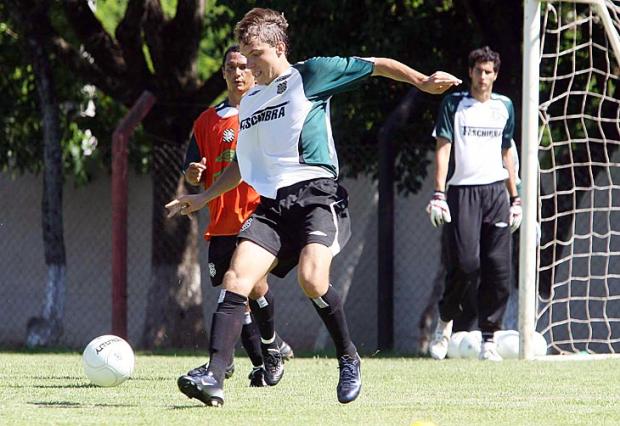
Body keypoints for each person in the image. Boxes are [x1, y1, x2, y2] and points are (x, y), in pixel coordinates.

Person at [167, 7, 461, 407]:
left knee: (311, 279)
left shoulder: (311, 74)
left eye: (255, 54)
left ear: (279, 47)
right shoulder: (251, 102)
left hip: (316, 196)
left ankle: (348, 357)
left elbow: (375, 65)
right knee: (237, 279)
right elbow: (241, 166)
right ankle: (214, 377)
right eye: (243, 56)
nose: (249, 64)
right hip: (272, 206)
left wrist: (421, 81)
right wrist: (202, 197)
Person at [176, 45, 293, 393]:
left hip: (258, 214)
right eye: (232, 67)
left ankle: (221, 364)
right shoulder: (207, 120)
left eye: (245, 66)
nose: (239, 73)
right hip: (221, 218)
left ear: (254, 70)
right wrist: (194, 175)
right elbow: (192, 168)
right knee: (248, 291)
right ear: (224, 73)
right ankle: (267, 356)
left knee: (237, 285)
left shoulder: (268, 110)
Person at [426, 46, 522, 361]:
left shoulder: (504, 106)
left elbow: (508, 151)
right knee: (466, 265)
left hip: (496, 193)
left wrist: (515, 196)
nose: (484, 77)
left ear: (496, 75)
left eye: (489, 72)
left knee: (499, 269)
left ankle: (489, 338)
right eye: (479, 71)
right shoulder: (454, 104)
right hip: (462, 192)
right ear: (470, 73)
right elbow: (443, 146)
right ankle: (445, 320)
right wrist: (438, 193)